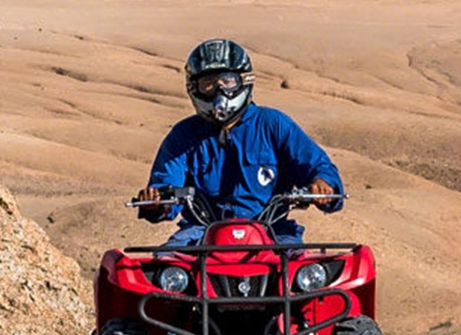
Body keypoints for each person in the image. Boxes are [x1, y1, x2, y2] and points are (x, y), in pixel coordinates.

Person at [135, 38, 343, 246]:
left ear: (244, 80)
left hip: (272, 231)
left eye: (227, 81)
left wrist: (322, 186)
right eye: (208, 84)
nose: (219, 91)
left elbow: (318, 166)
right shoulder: (183, 135)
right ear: (194, 88)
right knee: (164, 267)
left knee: (305, 272)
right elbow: (165, 183)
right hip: (200, 234)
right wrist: (157, 201)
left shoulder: (273, 124)